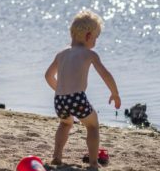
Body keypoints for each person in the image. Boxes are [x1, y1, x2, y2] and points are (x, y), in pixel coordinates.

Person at [44, 10, 121, 170]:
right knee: (92, 125)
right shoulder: (89, 54)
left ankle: (57, 157)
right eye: (95, 38)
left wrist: (59, 90)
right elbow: (105, 75)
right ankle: (93, 163)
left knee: (65, 124)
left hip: (60, 100)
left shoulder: (62, 54)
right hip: (77, 98)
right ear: (88, 36)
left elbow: (48, 76)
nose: (95, 42)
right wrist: (115, 93)